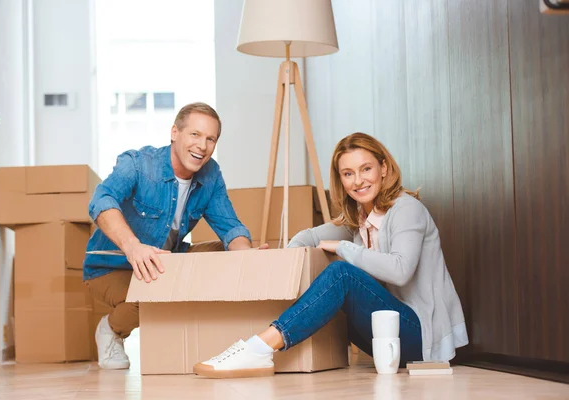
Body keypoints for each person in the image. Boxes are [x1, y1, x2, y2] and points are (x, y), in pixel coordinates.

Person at [193, 132, 468, 379]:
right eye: (348, 174)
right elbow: (308, 237)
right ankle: (265, 347)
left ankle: (259, 347)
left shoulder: (407, 210)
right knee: (332, 273)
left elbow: (400, 270)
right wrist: (289, 263)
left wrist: (344, 249)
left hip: (421, 336)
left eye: (366, 169)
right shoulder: (359, 219)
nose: (358, 181)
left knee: (342, 273)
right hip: (387, 336)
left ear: (384, 168)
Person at [83, 102, 264, 370]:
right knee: (154, 293)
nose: (202, 146)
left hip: (167, 261)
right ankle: (111, 329)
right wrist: (133, 247)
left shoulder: (210, 174)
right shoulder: (139, 164)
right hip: (111, 266)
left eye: (210, 138)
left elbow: (230, 228)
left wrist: (246, 256)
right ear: (174, 133)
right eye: (195, 134)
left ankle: (214, 337)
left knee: (225, 255)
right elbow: (101, 200)